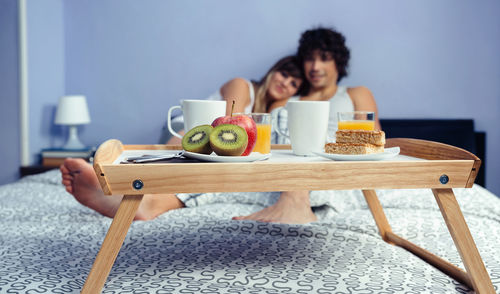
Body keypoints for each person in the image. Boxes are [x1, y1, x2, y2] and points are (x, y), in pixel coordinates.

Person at [60, 56, 305, 221]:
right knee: (173, 161)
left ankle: (147, 203)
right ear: (273, 71)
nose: (286, 83)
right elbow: (233, 124)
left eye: (294, 84)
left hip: (214, 148)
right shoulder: (242, 86)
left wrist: (281, 105)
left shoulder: (271, 113)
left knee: (214, 174)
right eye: (284, 74)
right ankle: (123, 179)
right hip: (189, 132)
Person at [231, 27, 381, 223]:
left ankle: (294, 202)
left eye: (324, 58)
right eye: (309, 59)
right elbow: (271, 146)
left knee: (309, 136)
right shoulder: (285, 102)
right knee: (285, 120)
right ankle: (294, 198)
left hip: (338, 163)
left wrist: (329, 147)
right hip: (288, 167)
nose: (315, 67)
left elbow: (373, 143)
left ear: (338, 63)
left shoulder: (356, 93)